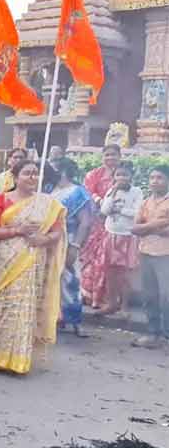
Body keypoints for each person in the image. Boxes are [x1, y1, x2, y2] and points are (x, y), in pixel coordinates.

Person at [0, 159, 67, 374]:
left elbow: (57, 232)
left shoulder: (46, 204)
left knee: (24, 307)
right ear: (15, 177)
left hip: (32, 260)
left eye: (35, 173)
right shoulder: (1, 199)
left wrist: (44, 239)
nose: (32, 177)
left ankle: (17, 360)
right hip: (6, 260)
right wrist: (17, 231)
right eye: (27, 173)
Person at [46, 158, 94, 337]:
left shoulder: (78, 192)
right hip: (48, 240)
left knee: (70, 281)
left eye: (54, 168)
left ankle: (75, 321)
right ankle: (54, 319)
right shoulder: (48, 189)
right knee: (49, 280)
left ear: (63, 171)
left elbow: (85, 222)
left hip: (68, 239)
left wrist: (75, 246)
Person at [96, 162, 142, 316]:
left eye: (125, 175)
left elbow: (137, 213)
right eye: (118, 175)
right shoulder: (111, 191)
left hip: (128, 236)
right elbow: (104, 210)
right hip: (111, 235)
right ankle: (111, 303)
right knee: (110, 271)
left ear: (131, 176)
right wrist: (113, 193)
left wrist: (120, 209)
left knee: (126, 273)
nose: (121, 178)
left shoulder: (136, 192)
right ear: (114, 177)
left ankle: (125, 306)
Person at [131, 166, 169, 349]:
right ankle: (153, 334)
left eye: (159, 177)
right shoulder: (146, 202)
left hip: (165, 255)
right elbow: (134, 229)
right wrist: (160, 223)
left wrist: (146, 227)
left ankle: (167, 336)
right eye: (152, 177)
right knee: (149, 296)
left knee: (167, 297)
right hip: (146, 252)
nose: (154, 181)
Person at [80, 144, 122, 308]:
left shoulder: (123, 174)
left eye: (113, 155)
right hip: (97, 222)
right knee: (93, 258)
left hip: (117, 223)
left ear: (120, 156)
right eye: (107, 155)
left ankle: (108, 299)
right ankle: (89, 295)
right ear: (102, 157)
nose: (110, 158)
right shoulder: (94, 174)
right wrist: (100, 201)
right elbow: (87, 193)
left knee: (111, 260)